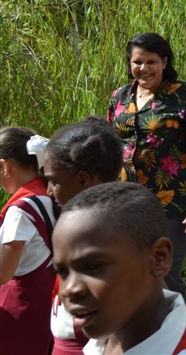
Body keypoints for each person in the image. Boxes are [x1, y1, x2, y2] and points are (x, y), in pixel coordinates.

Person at [107, 33, 186, 299]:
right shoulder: (120, 96)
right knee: (131, 270)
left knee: (165, 273)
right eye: (137, 62)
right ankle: (141, 334)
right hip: (126, 202)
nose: (143, 68)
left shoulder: (184, 96)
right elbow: (108, 141)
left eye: (151, 62)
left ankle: (180, 334)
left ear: (165, 61)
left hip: (173, 204)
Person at [52, 182, 186, 354]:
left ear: (159, 258)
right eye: (63, 272)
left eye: (93, 267)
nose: (69, 289)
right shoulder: (105, 338)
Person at [44, 118, 123, 354]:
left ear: (82, 180)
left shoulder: (110, 237)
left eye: (52, 181)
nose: (48, 191)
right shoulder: (90, 228)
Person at [0, 127, 56, 355]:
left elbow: (3, 272)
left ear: (5, 166)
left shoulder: (20, 211)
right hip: (46, 303)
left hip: (19, 308)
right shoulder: (50, 194)